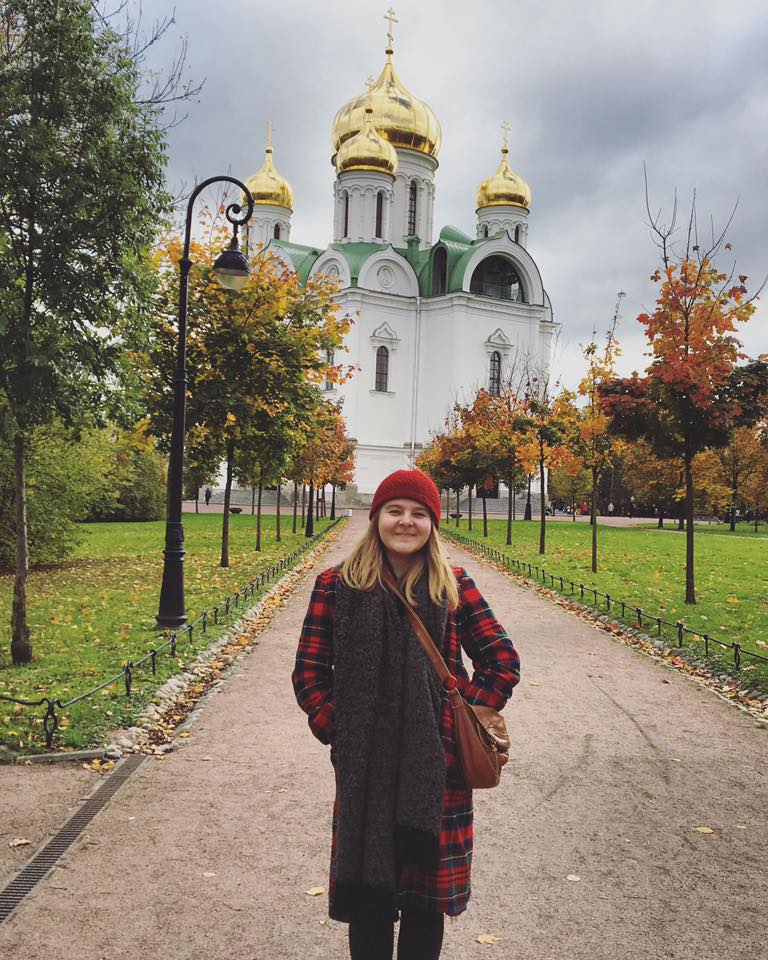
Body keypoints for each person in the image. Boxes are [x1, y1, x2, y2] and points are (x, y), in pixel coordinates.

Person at [292, 469, 520, 960]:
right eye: (395, 511)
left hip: (435, 771)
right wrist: (345, 733)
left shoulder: (453, 585)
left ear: (433, 524)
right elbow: (310, 675)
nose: (406, 522)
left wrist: (447, 725)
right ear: (376, 518)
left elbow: (502, 661)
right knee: (368, 900)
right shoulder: (335, 586)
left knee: (424, 903)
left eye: (419, 514)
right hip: (366, 770)